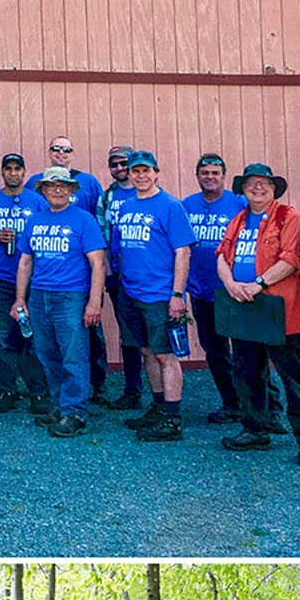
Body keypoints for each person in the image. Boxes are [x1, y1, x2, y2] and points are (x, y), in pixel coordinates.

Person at [215, 163, 300, 465]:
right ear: (243, 189)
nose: (258, 187)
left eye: (264, 183)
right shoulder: (238, 220)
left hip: (282, 310)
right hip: (245, 307)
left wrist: (258, 283)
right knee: (248, 372)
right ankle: (254, 429)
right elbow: (222, 255)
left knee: (295, 377)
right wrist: (230, 283)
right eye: (251, 183)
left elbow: (291, 259)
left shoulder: (289, 217)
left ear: (274, 188)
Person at [12, 167, 108, 439]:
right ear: (43, 190)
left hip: (72, 296)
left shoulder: (84, 220)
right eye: (52, 185)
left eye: (63, 186)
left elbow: (98, 263)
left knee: (73, 355)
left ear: (71, 190)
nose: (57, 190)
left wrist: (94, 302)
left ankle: (75, 412)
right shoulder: (35, 220)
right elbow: (25, 262)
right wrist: (20, 298)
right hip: (40, 295)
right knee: (47, 354)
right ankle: (59, 405)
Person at [111, 151, 195, 443]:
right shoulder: (126, 206)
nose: (141, 176)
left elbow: (182, 251)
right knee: (146, 351)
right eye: (136, 171)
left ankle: (173, 419)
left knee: (166, 355)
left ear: (156, 172)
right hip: (131, 292)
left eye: (146, 170)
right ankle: (158, 407)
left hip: (160, 295)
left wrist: (177, 294)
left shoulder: (170, 206)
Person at [182, 154, 253, 424]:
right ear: (197, 176)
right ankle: (231, 403)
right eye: (205, 172)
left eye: (215, 172)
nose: (210, 177)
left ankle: (267, 409)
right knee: (215, 351)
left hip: (235, 290)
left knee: (249, 352)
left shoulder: (239, 203)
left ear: (224, 176)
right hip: (201, 290)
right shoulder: (187, 205)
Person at [0, 153, 46, 413]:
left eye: (18, 169)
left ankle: (38, 391)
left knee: (33, 336)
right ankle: (7, 389)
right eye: (8, 169)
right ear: (2, 173)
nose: (13, 173)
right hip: (1, 279)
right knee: (5, 336)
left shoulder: (37, 201)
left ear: (24, 172)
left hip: (33, 279)